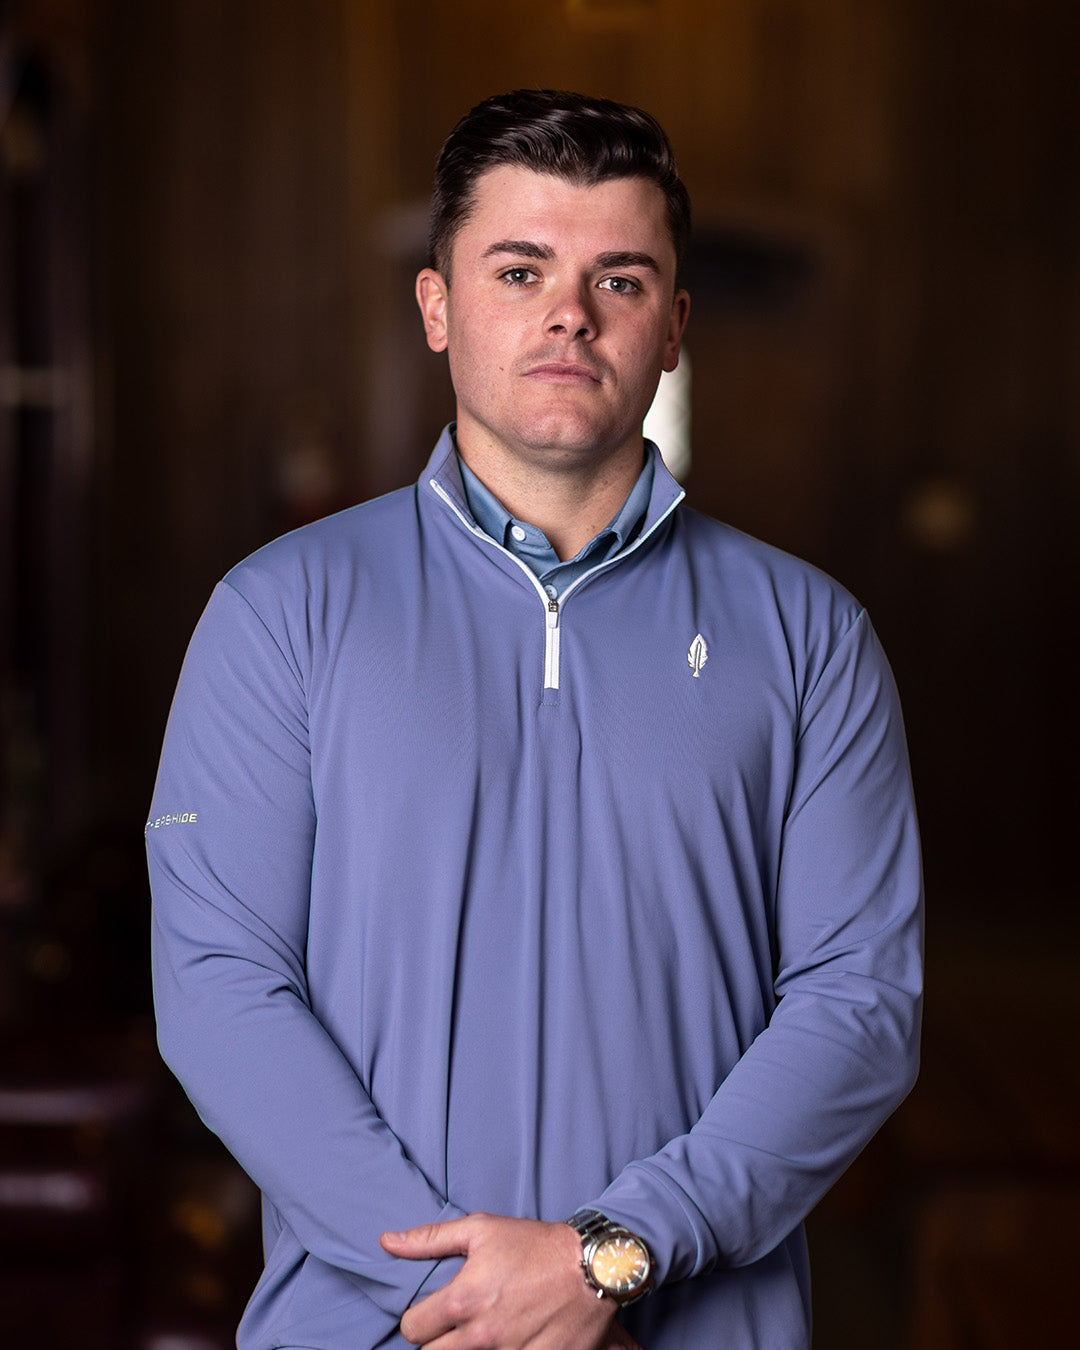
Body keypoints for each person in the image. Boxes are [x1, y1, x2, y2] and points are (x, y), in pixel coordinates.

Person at [147, 89, 923, 1350]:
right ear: (438, 308)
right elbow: (222, 989)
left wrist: (611, 1258)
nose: (569, 310)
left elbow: (860, 1004)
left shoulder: (811, 635)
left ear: (671, 326)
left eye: (619, 279)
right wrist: (471, 1300)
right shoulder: (277, 612)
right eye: (521, 269)